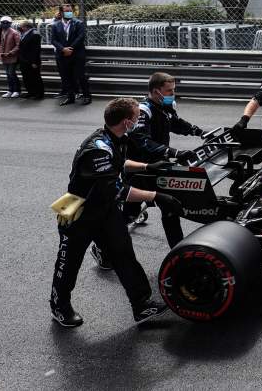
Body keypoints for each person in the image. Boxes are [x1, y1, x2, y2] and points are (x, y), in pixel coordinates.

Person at [49, 98, 175, 328]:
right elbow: (119, 190)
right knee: (69, 263)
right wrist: (156, 196)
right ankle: (60, 306)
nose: (138, 121)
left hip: (105, 210)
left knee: (124, 254)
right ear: (126, 122)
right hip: (78, 212)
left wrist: (147, 167)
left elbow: (119, 162)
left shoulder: (115, 138)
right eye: (136, 118)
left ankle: (141, 304)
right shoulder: (96, 150)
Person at [122, 72, 204, 248]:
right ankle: (103, 249)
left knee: (170, 208)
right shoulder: (143, 111)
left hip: (160, 166)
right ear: (155, 91)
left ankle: (179, 252)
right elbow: (142, 141)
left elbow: (175, 123)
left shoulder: (163, 107)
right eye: (169, 91)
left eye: (173, 90)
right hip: (141, 170)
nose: (172, 94)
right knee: (128, 214)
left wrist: (199, 132)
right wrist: (173, 152)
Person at [50, 4, 91, 106]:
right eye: (67, 11)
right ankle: (70, 97)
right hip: (63, 55)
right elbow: (53, 40)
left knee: (81, 76)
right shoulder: (56, 25)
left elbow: (80, 37)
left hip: (76, 54)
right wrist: (63, 49)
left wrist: (70, 48)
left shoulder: (78, 23)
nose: (69, 13)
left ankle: (86, 96)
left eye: (70, 11)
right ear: (61, 13)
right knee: (66, 77)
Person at [0, 16, 21, 98]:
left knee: (11, 73)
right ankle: (10, 90)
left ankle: (16, 90)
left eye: (7, 23)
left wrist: (11, 52)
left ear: (10, 24)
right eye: (3, 23)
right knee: (8, 74)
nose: (4, 24)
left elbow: (18, 45)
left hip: (12, 57)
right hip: (3, 57)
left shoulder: (14, 33)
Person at [18, 20, 45, 100]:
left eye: (22, 26)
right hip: (24, 60)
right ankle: (31, 92)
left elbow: (36, 49)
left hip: (32, 60)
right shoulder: (24, 34)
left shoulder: (35, 34)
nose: (21, 28)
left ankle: (39, 94)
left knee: (35, 77)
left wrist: (34, 61)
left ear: (26, 27)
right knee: (26, 77)